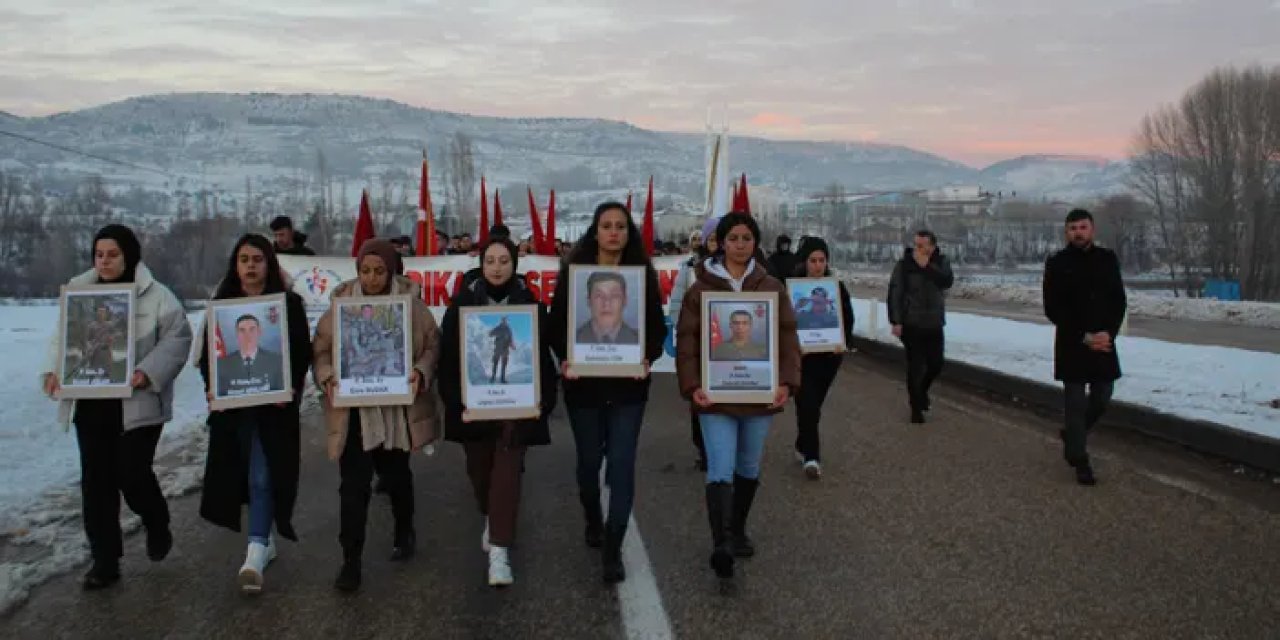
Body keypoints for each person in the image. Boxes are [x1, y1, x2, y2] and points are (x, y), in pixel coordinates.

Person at [41, 224, 193, 591]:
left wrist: (146, 372)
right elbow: (62, 339)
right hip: (92, 403)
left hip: (137, 403)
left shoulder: (157, 296)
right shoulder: (80, 293)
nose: (105, 261)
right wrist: (51, 371)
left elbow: (179, 339)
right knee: (96, 484)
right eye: (99, 254)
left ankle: (156, 521)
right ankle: (105, 561)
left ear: (128, 256)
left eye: (112, 254)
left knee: (131, 473)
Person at [676, 211, 801, 584]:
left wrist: (786, 384)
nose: (740, 244)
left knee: (748, 467)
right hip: (716, 398)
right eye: (733, 238)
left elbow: (788, 339)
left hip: (760, 395)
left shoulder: (772, 288)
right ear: (721, 242)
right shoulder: (701, 289)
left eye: (747, 238)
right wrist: (691, 385)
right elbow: (687, 342)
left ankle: (738, 528)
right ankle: (722, 544)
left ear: (755, 242)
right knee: (719, 467)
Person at [547, 201, 667, 584]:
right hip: (583, 387)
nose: (614, 232)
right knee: (587, 466)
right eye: (606, 225)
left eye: (620, 226)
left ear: (628, 233)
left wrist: (646, 357)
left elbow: (655, 330)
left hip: (629, 388)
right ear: (595, 231)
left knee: (621, 463)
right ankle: (591, 517)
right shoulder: (573, 274)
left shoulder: (642, 276)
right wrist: (566, 358)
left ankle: (613, 547)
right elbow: (555, 326)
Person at [312, 239, 440, 592]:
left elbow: (433, 344)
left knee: (396, 476)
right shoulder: (341, 306)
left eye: (379, 271)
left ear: (391, 270)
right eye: (365, 271)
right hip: (355, 412)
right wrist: (326, 376)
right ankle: (350, 559)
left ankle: (404, 530)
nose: (371, 278)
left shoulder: (411, 306)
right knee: (352, 487)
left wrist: (420, 370)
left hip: (394, 410)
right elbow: (321, 349)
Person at [438, 238, 557, 587]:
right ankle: (492, 514)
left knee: (507, 471)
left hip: (515, 409)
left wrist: (541, 402)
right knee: (480, 474)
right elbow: (448, 361)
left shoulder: (530, 305)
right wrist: (456, 404)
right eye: (490, 260)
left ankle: (500, 553)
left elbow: (540, 358)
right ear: (481, 263)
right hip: (473, 408)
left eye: (504, 260)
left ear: (514, 264)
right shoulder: (460, 305)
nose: (497, 267)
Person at [198, 234, 312, 594]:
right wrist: (212, 386)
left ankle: (255, 550)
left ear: (270, 265)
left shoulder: (289, 304)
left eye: (258, 259)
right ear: (235, 264)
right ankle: (264, 536)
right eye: (244, 259)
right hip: (233, 409)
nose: (250, 265)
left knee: (264, 474)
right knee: (244, 473)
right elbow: (208, 357)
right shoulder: (221, 305)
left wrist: (288, 388)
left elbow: (300, 353)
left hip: (274, 410)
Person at [1043, 209, 1127, 487]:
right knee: (1075, 404)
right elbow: (1053, 308)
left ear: (1092, 229)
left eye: (1083, 227)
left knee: (1103, 395)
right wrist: (1083, 336)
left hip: (1103, 341)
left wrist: (1108, 334)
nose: (1078, 232)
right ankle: (1080, 459)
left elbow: (1118, 301)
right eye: (1072, 228)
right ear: (1066, 232)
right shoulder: (1057, 263)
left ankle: (1073, 435)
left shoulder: (1107, 259)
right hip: (1072, 343)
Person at [788, 238, 855, 479]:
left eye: (822, 260)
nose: (817, 265)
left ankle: (801, 441)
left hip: (828, 357)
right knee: (806, 404)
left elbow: (847, 318)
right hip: (802, 357)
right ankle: (812, 458)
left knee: (814, 407)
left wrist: (843, 342)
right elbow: (785, 323)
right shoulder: (793, 289)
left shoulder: (836, 287)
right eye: (813, 260)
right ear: (805, 262)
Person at [887, 229, 954, 424]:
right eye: (916, 245)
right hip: (912, 323)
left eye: (922, 246)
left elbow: (947, 281)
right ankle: (915, 408)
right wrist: (896, 321)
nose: (918, 249)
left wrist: (928, 268)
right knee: (916, 367)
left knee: (936, 364)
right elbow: (895, 293)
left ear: (932, 247)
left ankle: (922, 392)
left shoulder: (941, 262)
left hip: (934, 323)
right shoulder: (904, 265)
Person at [669, 219, 720, 471]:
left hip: (723, 342)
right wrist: (674, 329)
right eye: (711, 239)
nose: (715, 245)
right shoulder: (689, 269)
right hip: (697, 342)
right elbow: (678, 300)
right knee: (699, 396)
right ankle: (702, 446)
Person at [215, 314, 285, 397]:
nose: (247, 335)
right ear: (237, 334)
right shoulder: (222, 364)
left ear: (259, 332)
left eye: (252, 329)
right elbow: (221, 397)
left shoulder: (276, 360)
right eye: (242, 330)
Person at [576, 271, 640, 345]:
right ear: (588, 301)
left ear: (625, 301)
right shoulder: (572, 339)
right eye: (599, 296)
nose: (607, 303)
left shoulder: (640, 340)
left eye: (614, 295)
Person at [489, 317, 513, 384]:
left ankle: (502, 379)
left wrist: (512, 345)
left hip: (505, 350)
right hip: (497, 349)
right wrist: (497, 334)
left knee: (504, 365)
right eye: (503, 320)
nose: (504, 322)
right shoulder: (497, 328)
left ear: (506, 321)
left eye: (505, 320)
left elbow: (510, 339)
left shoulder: (508, 330)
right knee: (495, 364)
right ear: (501, 321)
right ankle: (493, 378)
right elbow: (490, 334)